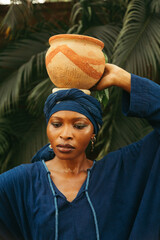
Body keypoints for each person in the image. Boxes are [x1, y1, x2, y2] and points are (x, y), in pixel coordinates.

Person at [0, 63, 160, 240]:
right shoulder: (22, 182)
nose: (66, 135)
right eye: (57, 124)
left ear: (93, 132)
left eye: (79, 126)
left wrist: (124, 79)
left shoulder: (117, 174)